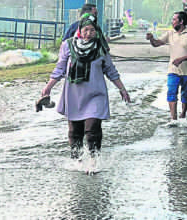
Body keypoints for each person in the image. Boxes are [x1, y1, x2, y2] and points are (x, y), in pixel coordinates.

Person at [41, 13, 130, 159]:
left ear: (97, 31)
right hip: (74, 95)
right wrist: (48, 87)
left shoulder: (101, 48)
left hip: (96, 94)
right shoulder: (68, 45)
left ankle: (94, 161)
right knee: (74, 132)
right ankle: (77, 161)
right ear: (80, 30)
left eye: (92, 30)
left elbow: (110, 70)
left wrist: (122, 89)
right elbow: (60, 69)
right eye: (85, 30)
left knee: (92, 130)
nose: (89, 34)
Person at [146, 11, 187, 126]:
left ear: (181, 21)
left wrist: (182, 59)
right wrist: (151, 39)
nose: (172, 21)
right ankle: (173, 119)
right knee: (171, 92)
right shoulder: (170, 34)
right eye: (172, 19)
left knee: (186, 95)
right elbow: (157, 43)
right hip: (173, 70)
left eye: (174, 19)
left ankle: (183, 114)